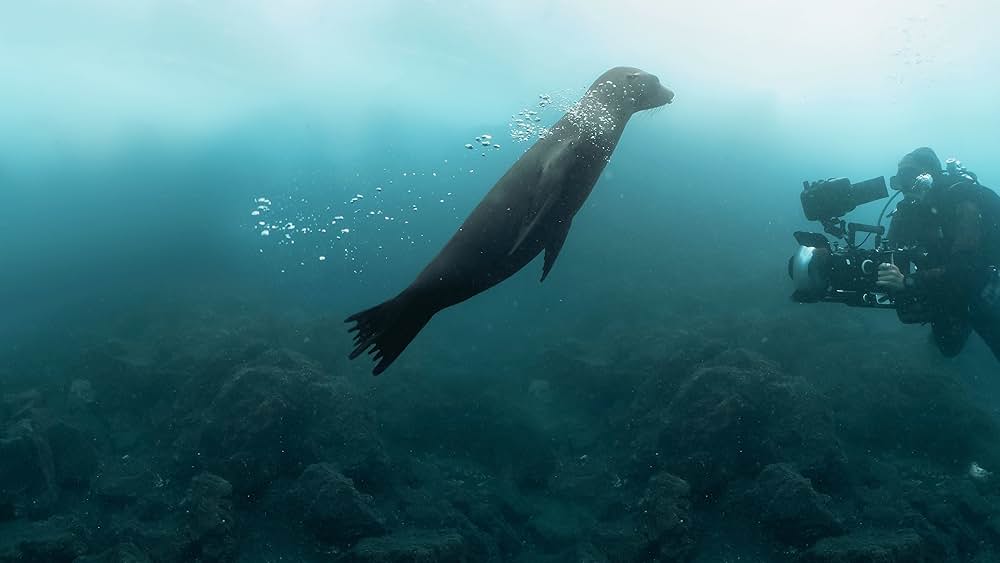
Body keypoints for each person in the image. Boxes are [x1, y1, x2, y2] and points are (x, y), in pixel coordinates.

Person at [876, 147, 1000, 361]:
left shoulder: (962, 202)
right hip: (947, 283)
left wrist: (908, 281)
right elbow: (890, 252)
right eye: (899, 177)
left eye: (909, 174)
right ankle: (964, 322)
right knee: (948, 348)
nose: (903, 184)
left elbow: (968, 268)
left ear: (929, 174)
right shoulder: (908, 212)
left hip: (983, 283)